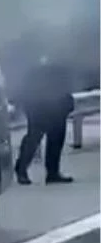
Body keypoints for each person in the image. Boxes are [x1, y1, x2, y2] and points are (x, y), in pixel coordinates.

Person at [14, 39, 75, 186]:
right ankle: (21, 169)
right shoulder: (31, 54)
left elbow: (64, 77)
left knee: (56, 136)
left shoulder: (59, 54)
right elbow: (24, 79)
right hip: (37, 100)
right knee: (34, 136)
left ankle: (53, 172)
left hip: (57, 99)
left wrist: (66, 99)